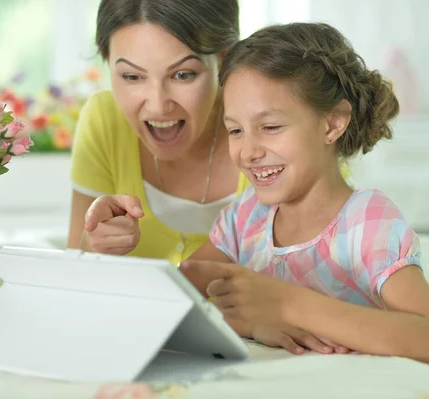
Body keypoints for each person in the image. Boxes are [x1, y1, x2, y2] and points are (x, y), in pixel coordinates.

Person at [180, 22, 429, 361]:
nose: (248, 150)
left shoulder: (368, 224)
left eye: (270, 127)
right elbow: (175, 300)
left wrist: (288, 304)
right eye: (235, 130)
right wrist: (252, 324)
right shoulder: (244, 218)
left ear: (332, 123)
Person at [67, 0, 246, 264]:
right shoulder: (105, 120)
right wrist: (91, 247)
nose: (158, 105)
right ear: (108, 62)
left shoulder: (271, 126)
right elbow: (72, 280)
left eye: (183, 75)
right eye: (132, 77)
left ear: (224, 59)